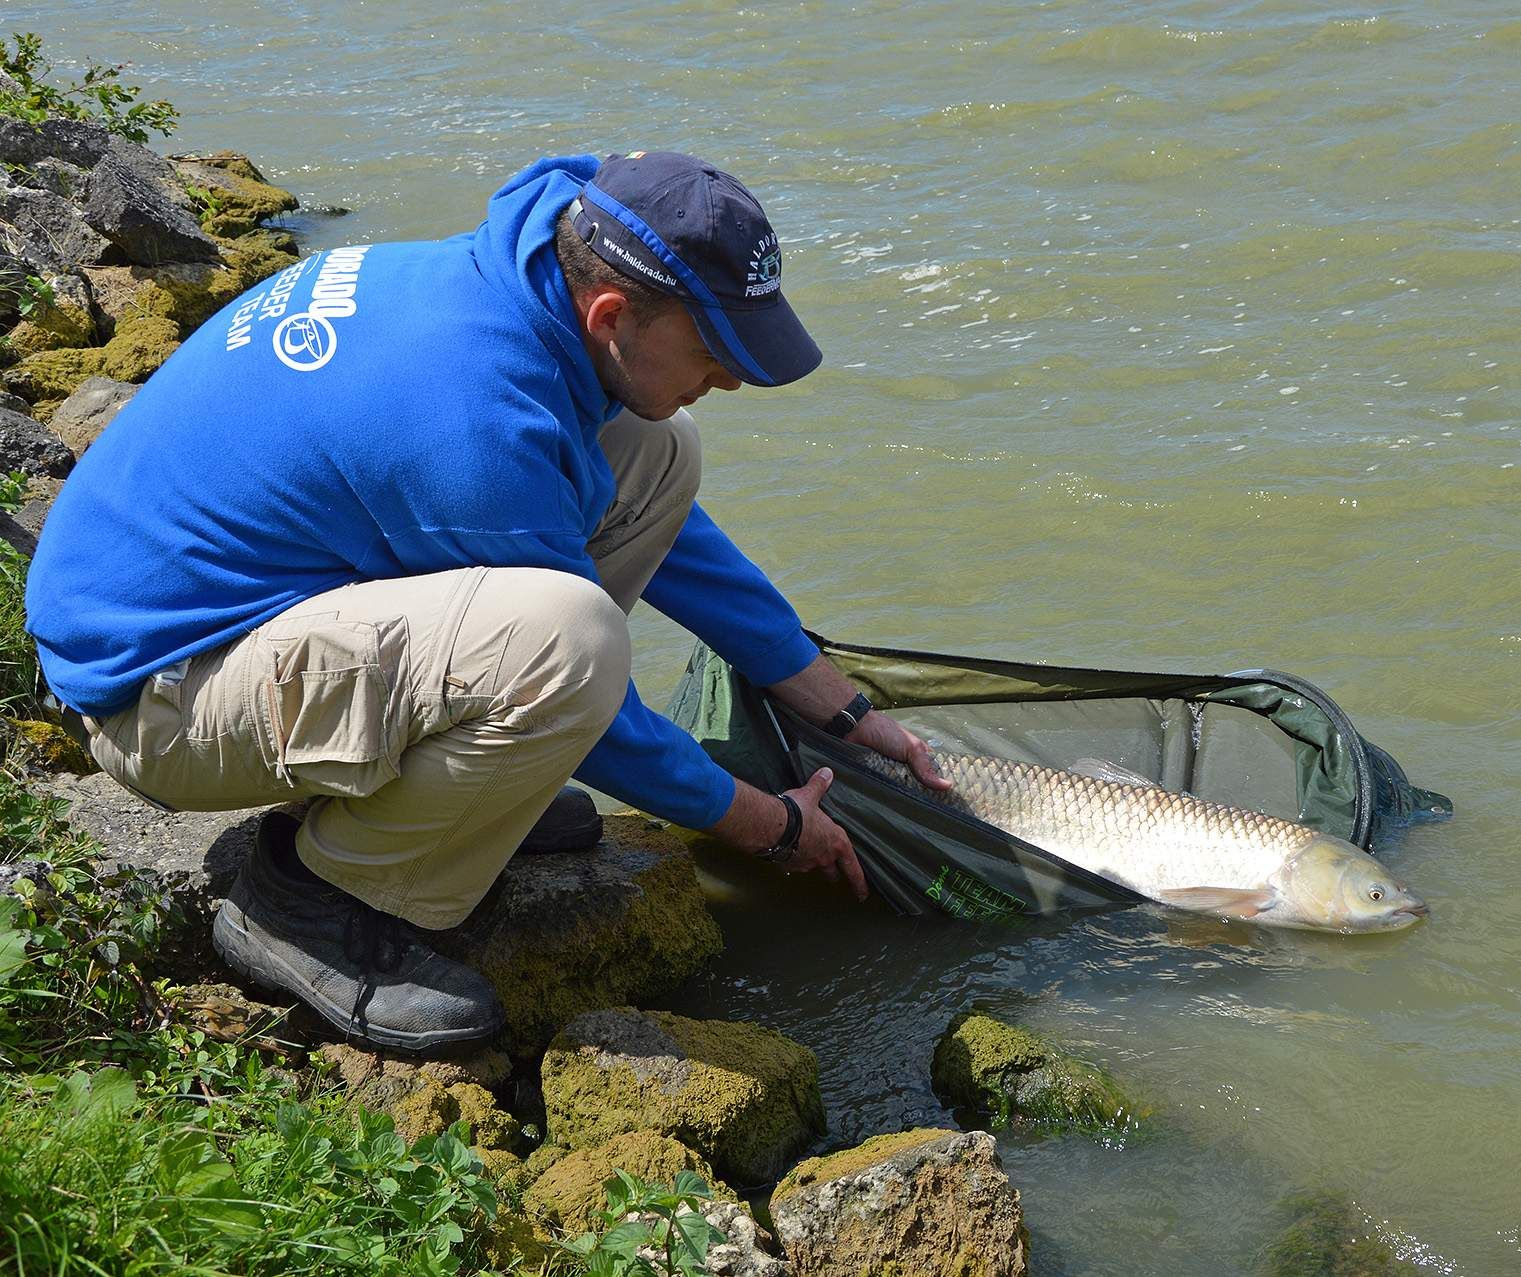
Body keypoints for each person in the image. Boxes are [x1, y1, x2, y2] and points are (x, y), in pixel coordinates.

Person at [24, 149, 949, 1054]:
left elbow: (678, 545)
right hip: (158, 695)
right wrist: (770, 824)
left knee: (662, 450)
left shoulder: (517, 285)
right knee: (570, 644)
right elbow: (599, 704)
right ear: (613, 312)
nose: (738, 376)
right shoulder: (472, 420)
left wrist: (843, 708)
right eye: (717, 349)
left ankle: (462, 791)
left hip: (230, 613)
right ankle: (320, 893)